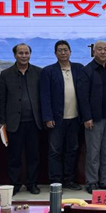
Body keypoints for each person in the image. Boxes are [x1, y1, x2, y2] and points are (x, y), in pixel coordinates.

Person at [77, 40, 106, 194]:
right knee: (93, 152)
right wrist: (86, 117)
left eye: (105, 49)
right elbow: (82, 96)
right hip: (94, 119)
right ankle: (92, 182)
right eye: (99, 49)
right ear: (93, 52)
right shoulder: (87, 70)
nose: (103, 52)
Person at [40, 40, 84, 191]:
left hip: (75, 118)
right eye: (60, 50)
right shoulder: (48, 71)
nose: (63, 53)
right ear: (55, 53)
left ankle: (69, 180)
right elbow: (45, 96)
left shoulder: (79, 68)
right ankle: (55, 182)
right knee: (55, 151)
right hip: (56, 119)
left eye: (66, 50)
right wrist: (48, 117)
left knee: (72, 150)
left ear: (70, 52)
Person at [0, 43, 43, 195]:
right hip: (13, 122)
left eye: (26, 53)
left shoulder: (39, 72)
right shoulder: (5, 74)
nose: (24, 56)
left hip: (34, 122)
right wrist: (2, 121)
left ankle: (32, 184)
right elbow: (2, 100)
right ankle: (15, 184)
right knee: (14, 156)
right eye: (20, 53)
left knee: (33, 156)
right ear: (15, 55)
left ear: (30, 54)